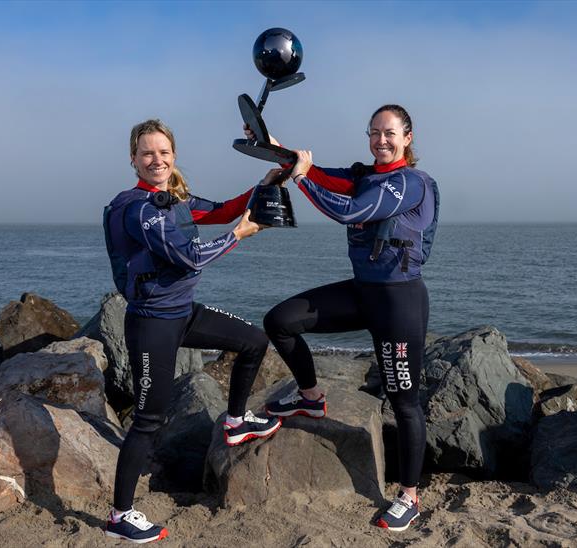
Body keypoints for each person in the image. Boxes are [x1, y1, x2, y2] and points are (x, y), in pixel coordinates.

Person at [248, 104, 439, 532]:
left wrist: (299, 178)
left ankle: (409, 495)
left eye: (389, 133)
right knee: (280, 320)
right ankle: (311, 398)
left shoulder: (410, 183)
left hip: (399, 302)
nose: (381, 140)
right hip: (362, 293)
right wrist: (274, 148)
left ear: (408, 137)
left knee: (404, 402)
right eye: (374, 132)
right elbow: (316, 173)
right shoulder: (362, 176)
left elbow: (350, 211)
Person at [103, 118, 283, 543]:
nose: (156, 159)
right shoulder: (139, 210)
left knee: (254, 340)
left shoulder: (173, 198)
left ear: (174, 156)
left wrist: (268, 180)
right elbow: (189, 258)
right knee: (148, 420)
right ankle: (119, 515)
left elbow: (220, 209)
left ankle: (236, 421)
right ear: (133, 159)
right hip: (152, 325)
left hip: (183, 313)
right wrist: (239, 234)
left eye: (163, 152)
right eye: (147, 153)